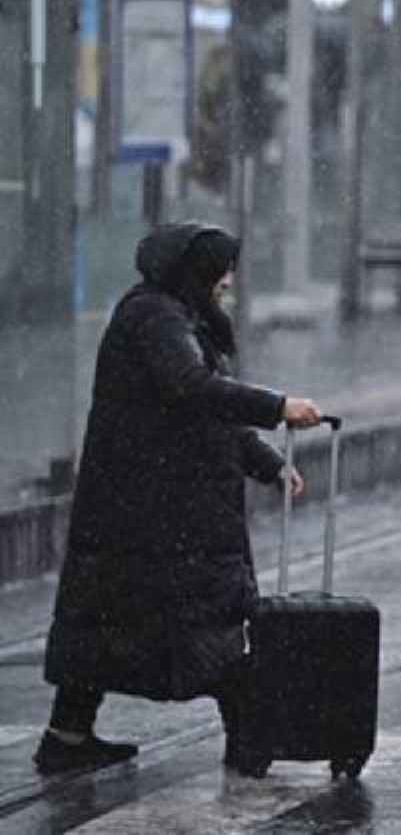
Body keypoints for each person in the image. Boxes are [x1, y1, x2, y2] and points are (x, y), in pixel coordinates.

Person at [35, 222, 324, 775]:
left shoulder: (171, 315)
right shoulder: (156, 318)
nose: (227, 283)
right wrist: (276, 406)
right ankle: (250, 740)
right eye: (220, 272)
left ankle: (67, 736)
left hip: (142, 506)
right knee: (202, 623)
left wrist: (266, 461)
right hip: (159, 511)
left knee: (108, 622)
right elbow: (191, 390)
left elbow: (201, 412)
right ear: (194, 273)